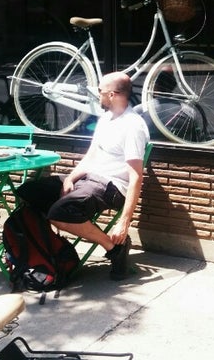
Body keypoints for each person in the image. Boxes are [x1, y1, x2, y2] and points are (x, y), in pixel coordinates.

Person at [17, 71, 150, 280]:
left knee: (60, 212)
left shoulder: (132, 126)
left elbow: (136, 177)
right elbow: (91, 156)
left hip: (112, 186)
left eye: (100, 91)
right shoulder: (106, 118)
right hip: (90, 179)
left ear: (113, 95)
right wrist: (71, 178)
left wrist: (124, 222)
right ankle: (48, 247)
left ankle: (114, 248)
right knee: (29, 191)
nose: (97, 95)